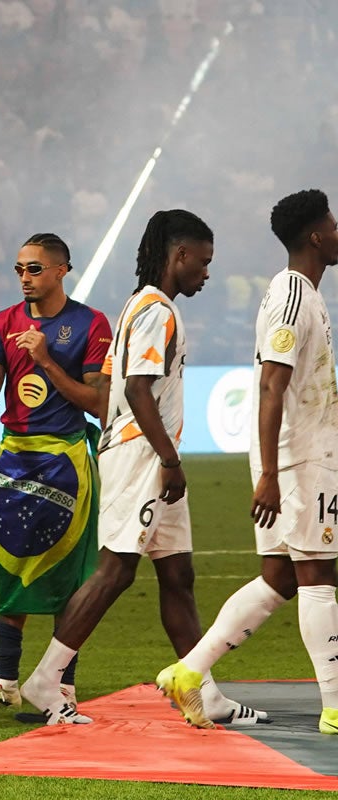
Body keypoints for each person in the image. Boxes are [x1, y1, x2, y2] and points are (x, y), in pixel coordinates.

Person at [17, 210, 263, 726]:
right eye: (203, 261)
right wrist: (168, 460)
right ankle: (46, 677)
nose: (206, 272)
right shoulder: (156, 312)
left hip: (140, 450)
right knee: (117, 568)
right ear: (179, 255)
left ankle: (203, 691)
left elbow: (111, 393)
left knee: (178, 574)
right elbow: (136, 391)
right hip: (144, 455)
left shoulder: (134, 308)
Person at [158, 189, 338, 733]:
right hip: (299, 459)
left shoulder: (304, 293)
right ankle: (334, 705)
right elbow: (270, 384)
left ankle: (189, 672)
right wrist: (270, 473)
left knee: (280, 576)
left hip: (300, 455)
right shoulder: (291, 295)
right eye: (333, 223)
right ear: (314, 235)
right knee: (318, 575)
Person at [0, 234, 111, 712]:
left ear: (60, 270)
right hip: (14, 459)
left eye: (34, 269)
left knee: (68, 576)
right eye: (19, 269)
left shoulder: (91, 324)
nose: (25, 278)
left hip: (67, 461)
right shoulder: (2, 323)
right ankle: (4, 682)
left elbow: (98, 402)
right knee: (9, 564)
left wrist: (46, 360)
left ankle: (63, 684)